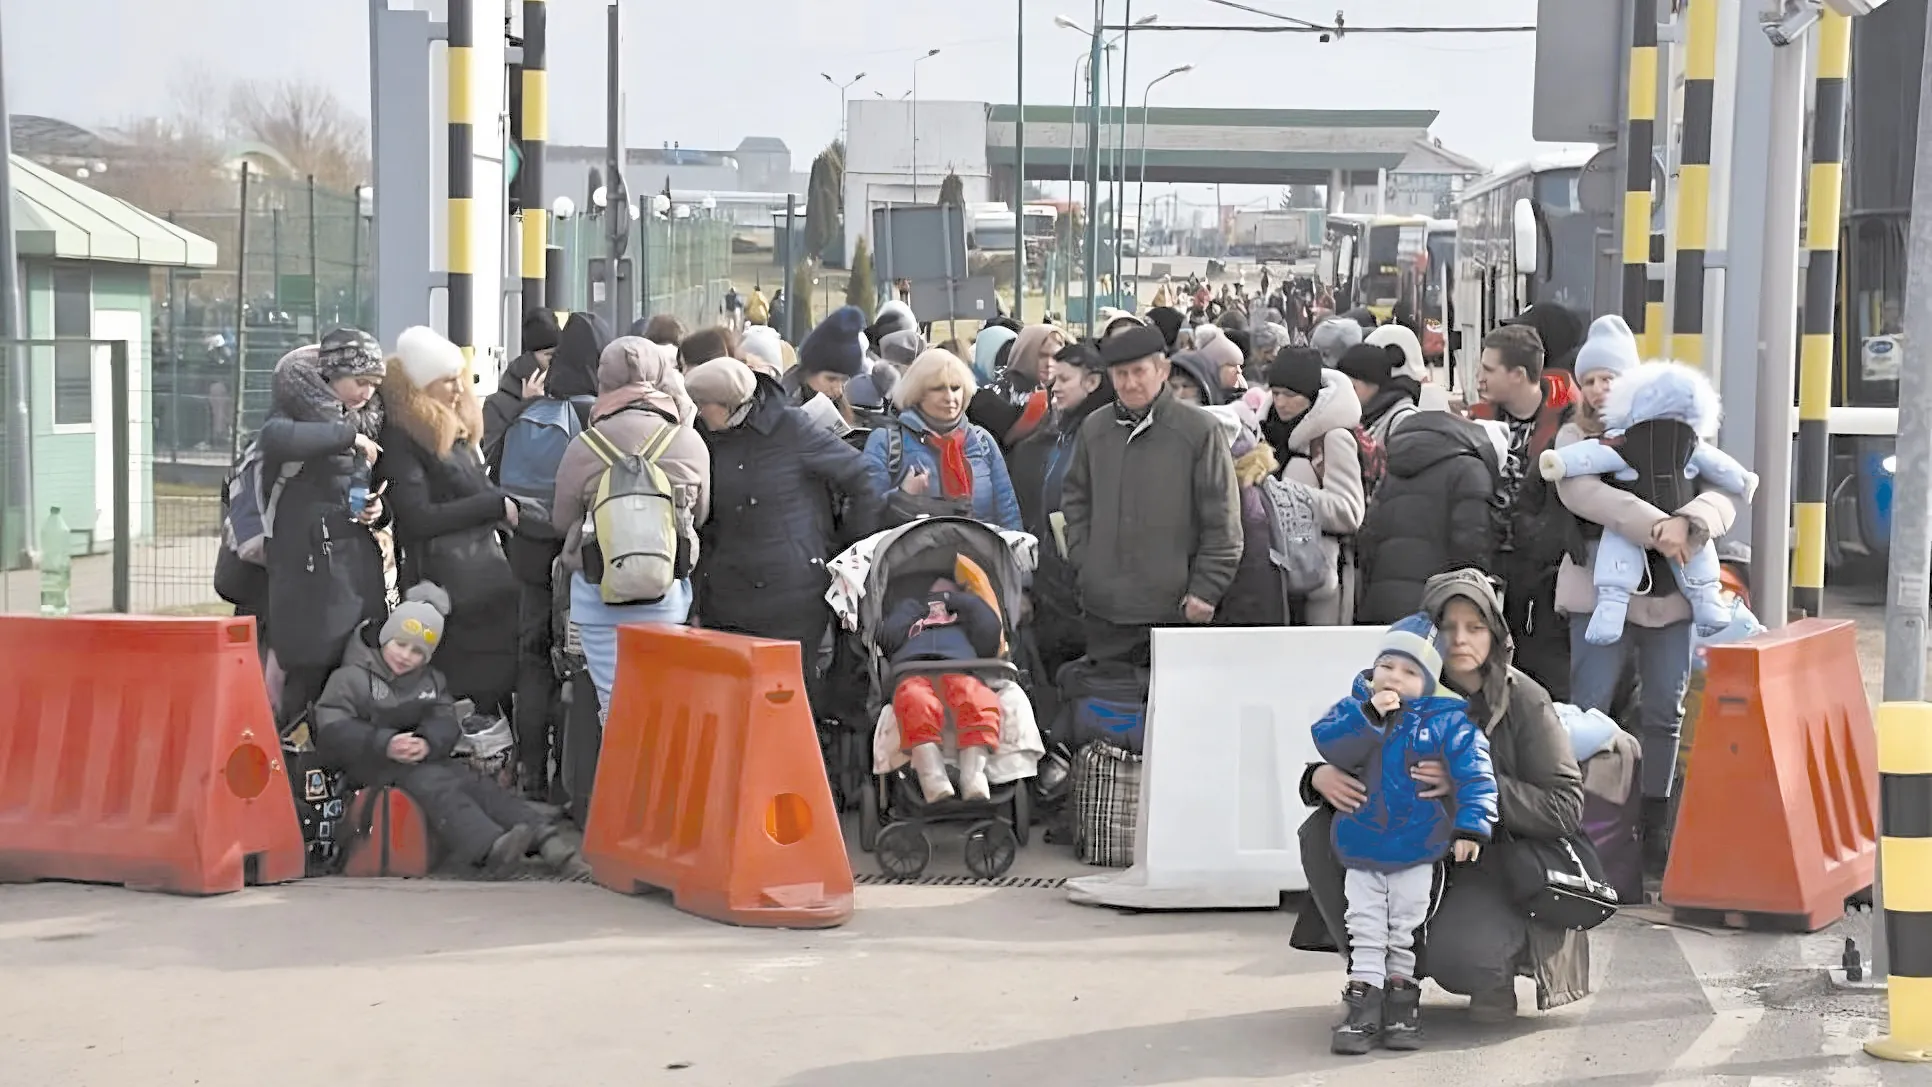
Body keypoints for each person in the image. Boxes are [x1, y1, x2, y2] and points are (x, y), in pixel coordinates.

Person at [1293, 568, 1589, 1023]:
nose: (1461, 640)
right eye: (1448, 627)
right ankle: (1371, 977)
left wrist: (1467, 788)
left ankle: (1495, 974)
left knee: (1464, 956)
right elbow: (1351, 741)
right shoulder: (1398, 683)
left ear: (1496, 634)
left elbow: (1565, 806)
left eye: (1475, 627)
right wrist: (1319, 776)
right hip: (1410, 843)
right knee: (1320, 831)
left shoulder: (1525, 700)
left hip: (1492, 860)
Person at [1549, 317, 1736, 869]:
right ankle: (1586, 819)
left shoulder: (1680, 430)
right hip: (1598, 592)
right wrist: (1663, 527)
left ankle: (1656, 823)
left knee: (1664, 710)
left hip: (1671, 596)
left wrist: (1691, 522)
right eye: (1590, 380)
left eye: (1610, 378)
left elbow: (1722, 492)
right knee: (1589, 709)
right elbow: (1585, 495)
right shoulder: (1574, 439)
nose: (1598, 389)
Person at [1313, 613, 1498, 1054]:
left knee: (1407, 926)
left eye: (1410, 671)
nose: (1394, 677)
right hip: (1363, 844)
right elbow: (1330, 743)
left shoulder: (1448, 722)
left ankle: (1402, 1001)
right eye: (1387, 666)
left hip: (1419, 846)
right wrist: (1368, 718)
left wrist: (1471, 826)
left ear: (1429, 682)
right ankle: (1363, 1000)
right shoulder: (1354, 708)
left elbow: (1476, 774)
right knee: (1364, 924)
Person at [312, 583, 584, 878]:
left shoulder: (431, 680)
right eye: (400, 645)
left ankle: (544, 836)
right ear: (385, 638)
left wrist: (428, 742)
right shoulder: (350, 678)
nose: (405, 656)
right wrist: (385, 743)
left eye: (417, 652)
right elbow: (332, 728)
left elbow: (444, 720)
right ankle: (488, 847)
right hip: (368, 763)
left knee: (475, 783)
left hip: (420, 758)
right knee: (436, 785)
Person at [685, 357, 882, 708]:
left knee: (788, 702)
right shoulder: (702, 437)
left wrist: (846, 546)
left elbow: (860, 477)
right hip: (727, 595)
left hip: (792, 594)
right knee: (734, 703)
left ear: (728, 404)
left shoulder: (790, 427)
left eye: (703, 405)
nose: (698, 412)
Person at [1061, 325, 1242, 665]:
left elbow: (1223, 520)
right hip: (1105, 609)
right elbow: (1075, 501)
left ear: (1162, 370)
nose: (1130, 383)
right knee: (1108, 695)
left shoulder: (1198, 431)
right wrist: (1086, 563)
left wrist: (1206, 589)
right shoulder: (1094, 429)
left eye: (1139, 372)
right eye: (1120, 374)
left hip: (1174, 610)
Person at [551, 337, 710, 719]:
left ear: (603, 380)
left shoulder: (585, 445)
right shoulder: (688, 442)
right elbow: (701, 515)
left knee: (614, 707)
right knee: (662, 705)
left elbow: (561, 521)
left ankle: (620, 756)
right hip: (665, 595)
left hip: (598, 596)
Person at [494, 310, 611, 797]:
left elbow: (496, 471)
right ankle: (569, 777)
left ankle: (530, 771)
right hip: (574, 555)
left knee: (532, 658)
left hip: (525, 547)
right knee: (575, 660)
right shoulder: (595, 414)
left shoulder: (531, 408)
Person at [375, 326, 519, 719]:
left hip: (480, 577)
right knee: (465, 682)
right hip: (447, 584)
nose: (459, 389)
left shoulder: (452, 432)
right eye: (447, 381)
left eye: (460, 378)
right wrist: (493, 505)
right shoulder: (405, 439)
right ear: (421, 386)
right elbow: (417, 517)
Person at [260, 331, 390, 726]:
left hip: (348, 564)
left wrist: (377, 511)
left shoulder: (365, 418)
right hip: (307, 569)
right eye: (360, 381)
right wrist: (349, 437)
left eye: (374, 384)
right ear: (332, 375)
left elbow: (364, 485)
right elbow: (275, 438)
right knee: (309, 669)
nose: (367, 392)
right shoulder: (293, 410)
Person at [1466, 323, 1574, 699]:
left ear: (1518, 374)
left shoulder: (1567, 424)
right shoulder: (1475, 421)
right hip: (1489, 561)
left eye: (1488, 369)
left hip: (1543, 570)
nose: (1479, 378)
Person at [1008, 339, 1114, 677]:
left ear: (1092, 382)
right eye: (1054, 380)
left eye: (1065, 379)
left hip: (1084, 584)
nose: (1055, 388)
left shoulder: (1102, 435)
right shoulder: (1063, 432)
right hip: (1055, 579)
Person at [1355, 412, 1502, 625]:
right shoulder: (1470, 470)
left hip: (1381, 604)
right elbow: (1471, 550)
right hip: (1438, 609)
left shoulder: (1393, 473)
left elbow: (1369, 539)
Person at [1259, 347, 1366, 625]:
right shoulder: (1265, 433)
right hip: (1273, 572)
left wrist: (1285, 497)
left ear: (1310, 395)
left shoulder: (1333, 438)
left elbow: (1349, 511)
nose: (1280, 402)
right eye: (1275, 393)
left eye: (1290, 395)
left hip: (1320, 579)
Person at [862, 348, 1022, 531]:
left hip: (982, 548)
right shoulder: (886, 442)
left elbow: (1008, 512)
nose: (950, 397)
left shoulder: (982, 441)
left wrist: (1016, 545)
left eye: (955, 388)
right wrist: (904, 498)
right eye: (938, 388)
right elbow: (866, 518)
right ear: (917, 393)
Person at [880, 576, 1006, 804]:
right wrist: (918, 609)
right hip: (913, 667)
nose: (940, 593)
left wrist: (960, 601)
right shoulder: (911, 610)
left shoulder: (965, 618)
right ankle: (932, 775)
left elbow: (990, 634)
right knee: (915, 700)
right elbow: (887, 638)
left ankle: (974, 774)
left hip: (960, 667)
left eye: (948, 590)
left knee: (976, 699)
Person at [1204, 401, 1286, 628]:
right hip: (1256, 613)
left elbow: (1248, 565)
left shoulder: (1235, 493)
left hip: (1242, 619)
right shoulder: (1252, 482)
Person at [483, 308, 560, 465]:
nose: (554, 364)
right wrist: (529, 409)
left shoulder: (560, 394)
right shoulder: (496, 404)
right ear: (529, 358)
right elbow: (493, 459)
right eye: (548, 356)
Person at [967, 322, 1061, 447]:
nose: (1049, 363)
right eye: (1042, 355)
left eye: (1056, 356)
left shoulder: (1063, 390)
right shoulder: (987, 399)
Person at [784, 305, 868, 425]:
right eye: (831, 379)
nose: (838, 390)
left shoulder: (840, 407)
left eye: (844, 380)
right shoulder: (780, 405)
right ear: (810, 370)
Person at [1339, 341, 1421, 446]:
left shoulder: (1404, 422)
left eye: (1351, 387)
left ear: (1374, 384)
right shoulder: (1365, 416)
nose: (1344, 394)